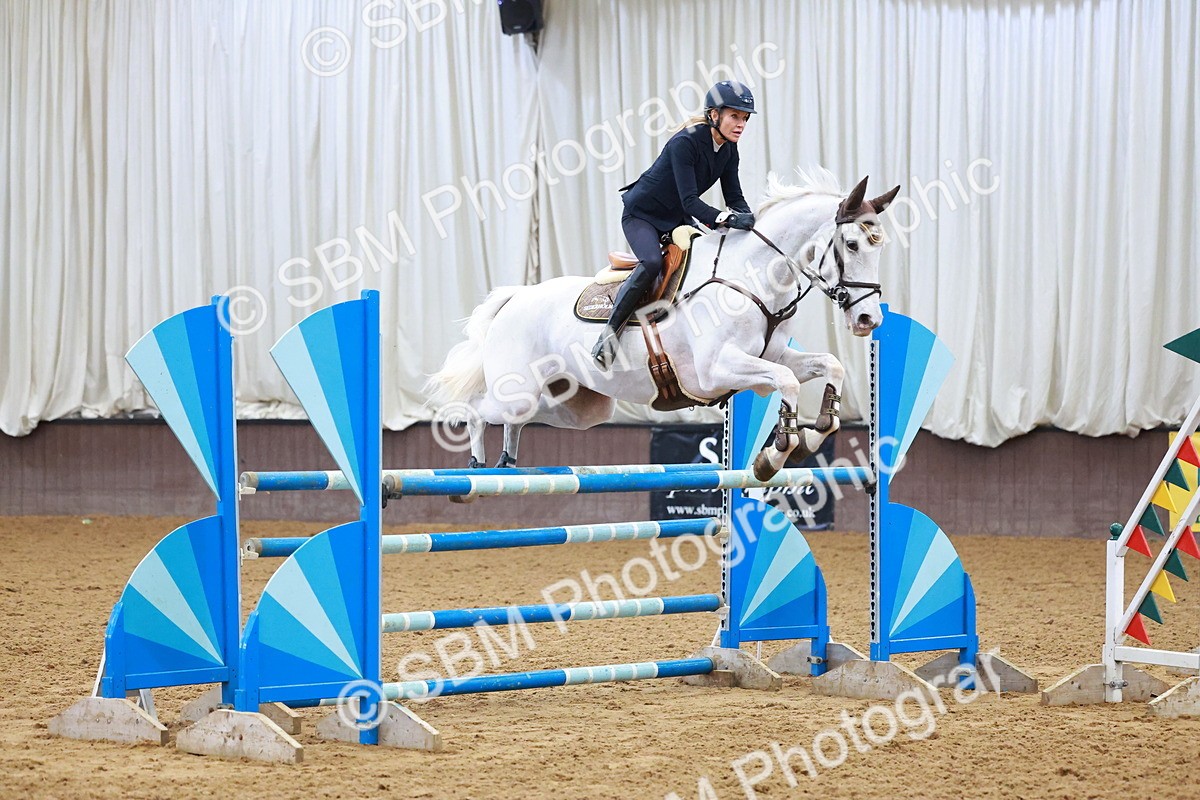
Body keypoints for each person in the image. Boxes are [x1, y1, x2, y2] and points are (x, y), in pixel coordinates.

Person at [591, 80, 758, 367]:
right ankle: (608, 336)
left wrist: (753, 223)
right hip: (642, 214)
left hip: (676, 217)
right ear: (714, 115)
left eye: (744, 118)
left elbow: (735, 197)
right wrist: (727, 219)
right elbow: (690, 201)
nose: (741, 124)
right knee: (653, 263)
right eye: (734, 116)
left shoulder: (730, 150)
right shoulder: (686, 142)